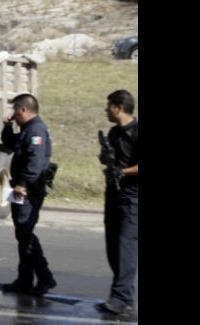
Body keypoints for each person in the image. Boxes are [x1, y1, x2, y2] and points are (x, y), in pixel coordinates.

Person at [0, 93, 56, 296]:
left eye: (15, 110)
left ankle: (45, 277)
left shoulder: (36, 130)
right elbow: (11, 143)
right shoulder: (27, 129)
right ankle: (25, 280)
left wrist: (23, 183)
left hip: (29, 191)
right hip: (22, 189)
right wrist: (7, 127)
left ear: (23, 110)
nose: (14, 114)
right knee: (22, 235)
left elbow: (36, 162)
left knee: (25, 233)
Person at [95, 90, 138, 316]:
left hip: (132, 197)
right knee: (113, 247)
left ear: (119, 107)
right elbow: (109, 159)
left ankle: (120, 299)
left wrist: (123, 172)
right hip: (113, 195)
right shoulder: (113, 132)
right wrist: (105, 157)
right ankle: (125, 297)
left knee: (126, 246)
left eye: (109, 106)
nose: (106, 110)